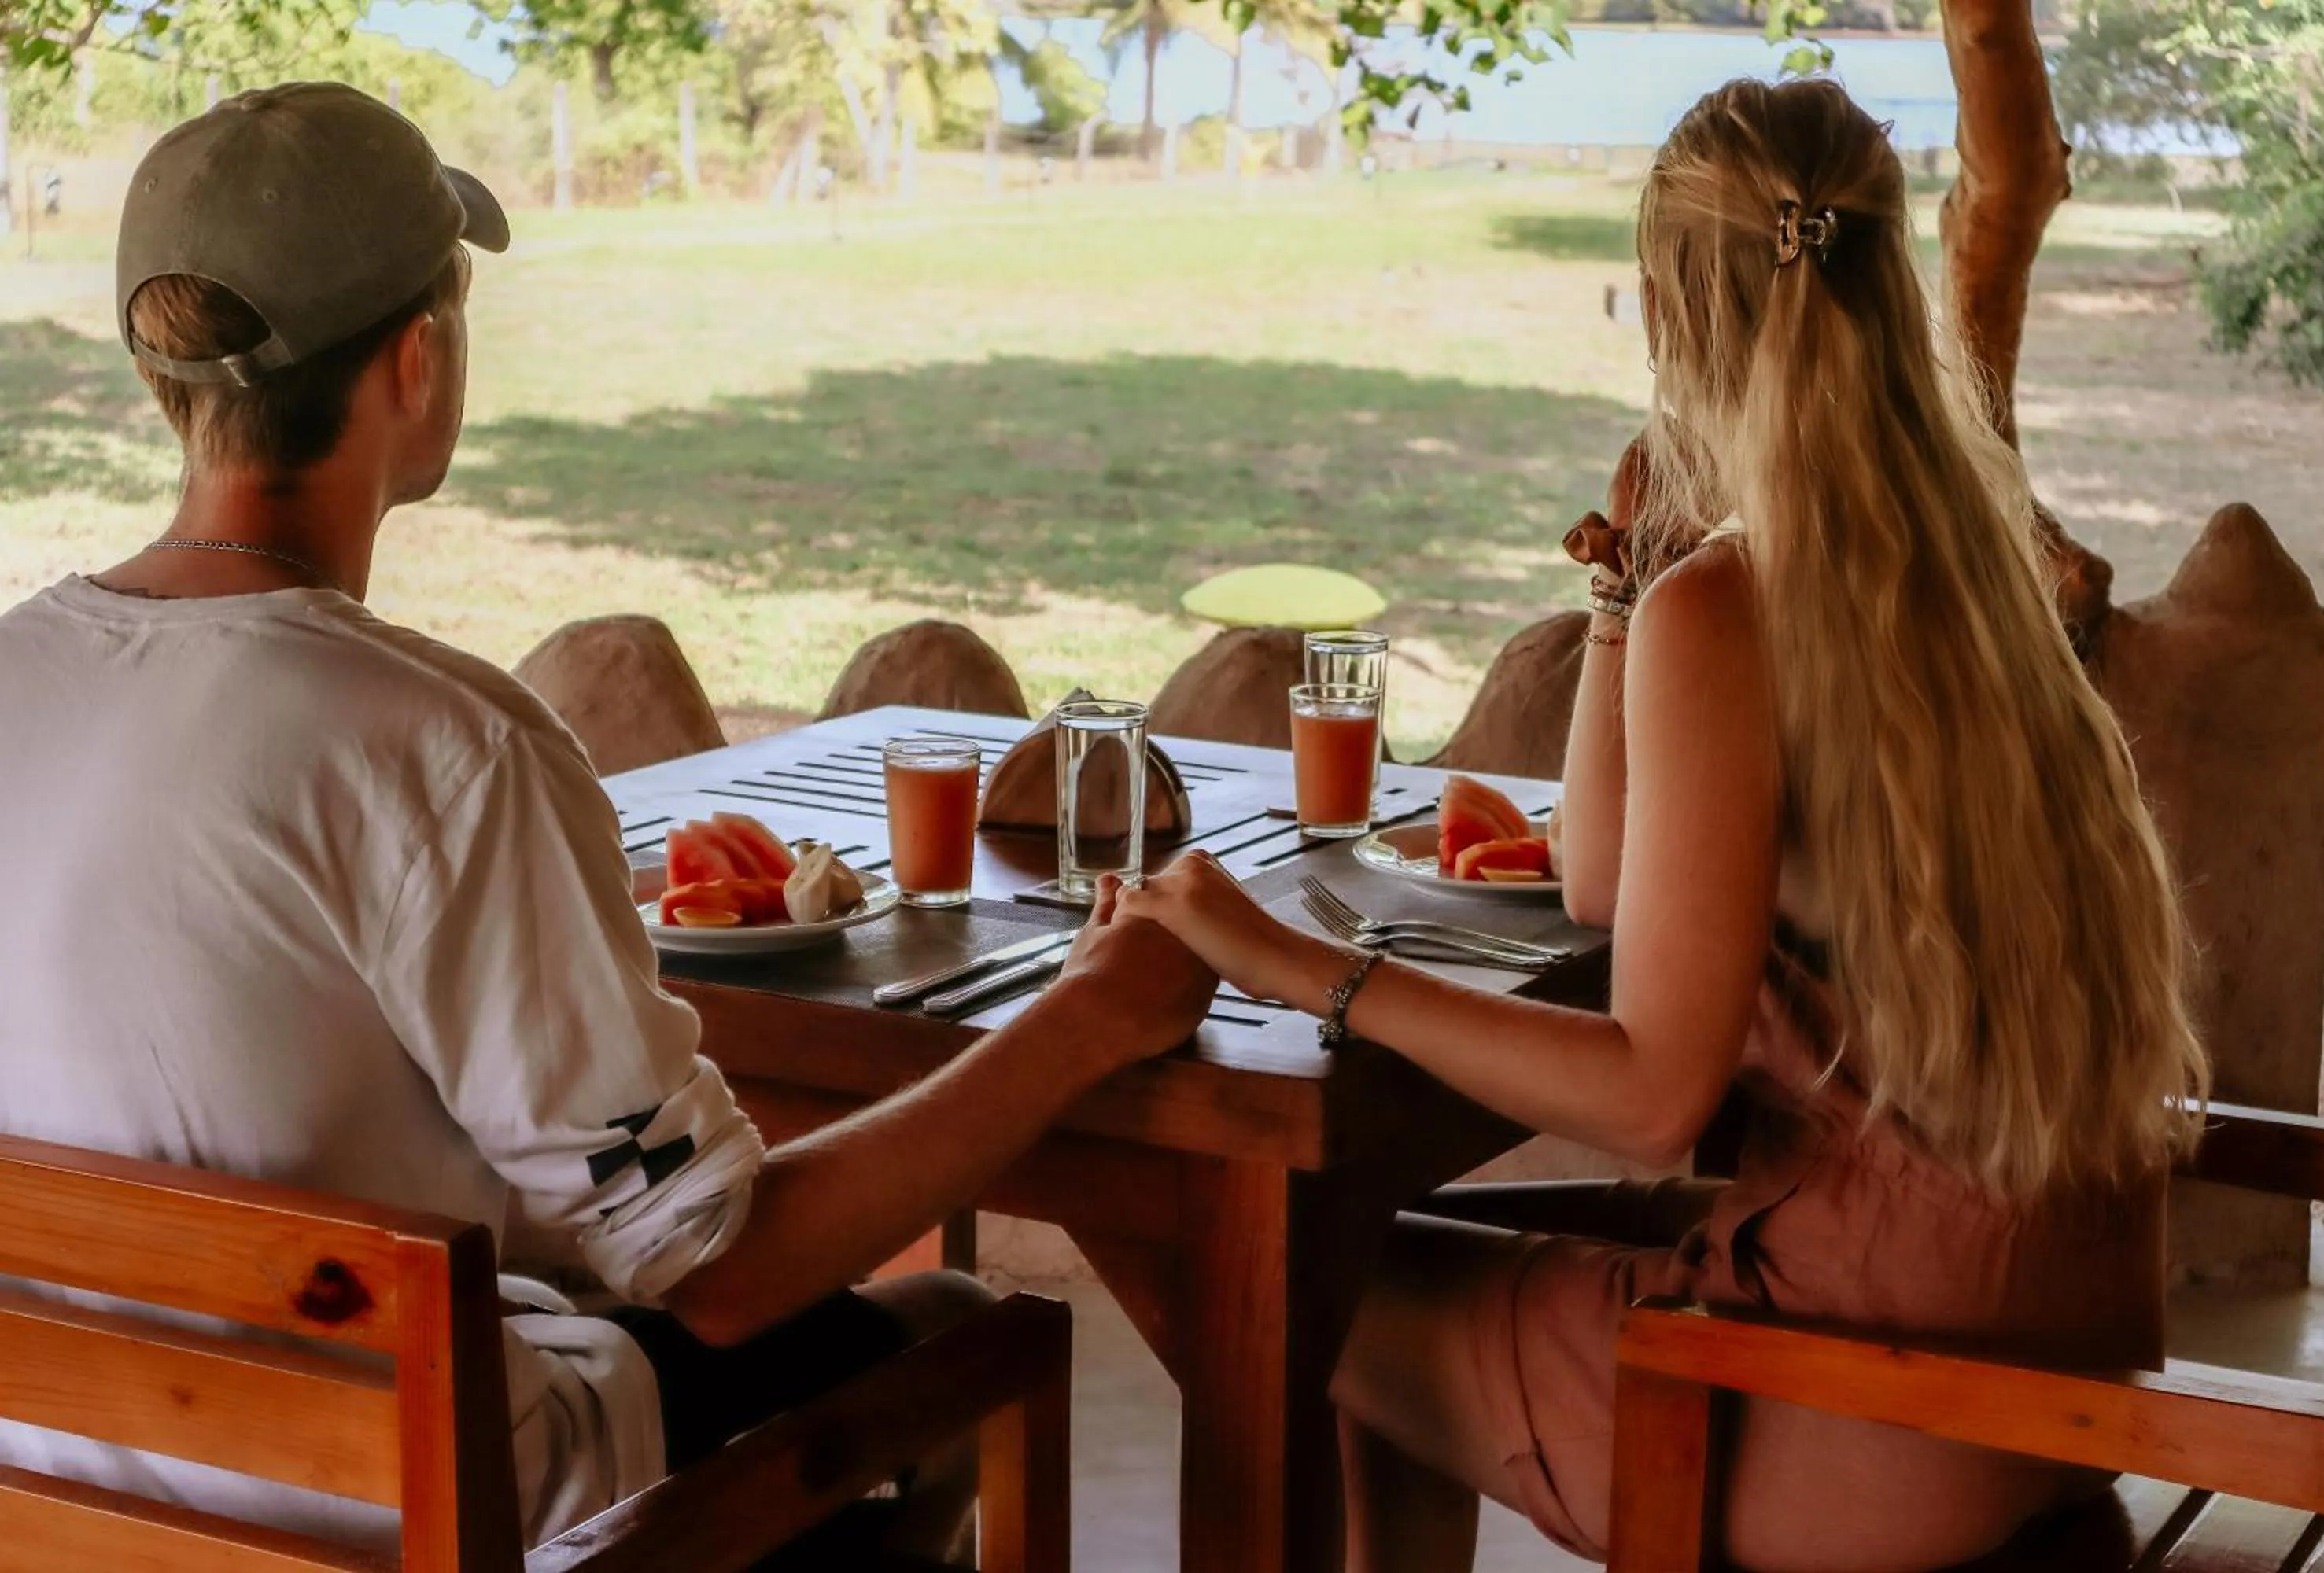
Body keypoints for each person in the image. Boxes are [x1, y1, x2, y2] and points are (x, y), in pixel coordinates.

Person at [0, 83, 1213, 1562]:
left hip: (59, 1502)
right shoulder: (442, 744)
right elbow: (720, 1267)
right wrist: (1085, 1020)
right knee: (951, 1325)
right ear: (420, 359)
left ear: (162, 374)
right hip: (410, 1511)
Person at [1118, 77, 2210, 1573]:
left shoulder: (1743, 605)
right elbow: (1606, 884)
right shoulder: (1975, 567)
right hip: (2043, 1363)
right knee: (1351, 1250)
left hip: (1871, 1400)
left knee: (1259, 1275)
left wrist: (1294, 964)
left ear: (1661, 310)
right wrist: (1623, 590)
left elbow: (1647, 1092)